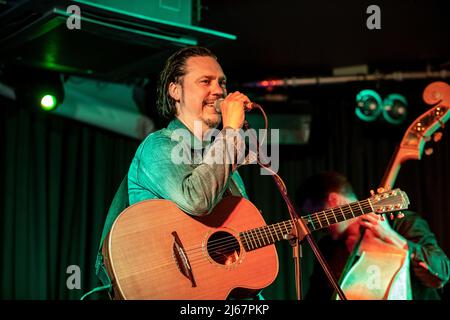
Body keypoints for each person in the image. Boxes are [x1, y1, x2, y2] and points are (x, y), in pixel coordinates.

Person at [94, 46, 260, 299]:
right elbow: (197, 200)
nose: (218, 90)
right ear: (175, 91)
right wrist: (230, 131)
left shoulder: (227, 167)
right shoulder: (159, 146)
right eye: (205, 81)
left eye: (222, 82)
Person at [295, 171, 450, 300]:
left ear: (333, 200)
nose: (317, 227)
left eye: (315, 216)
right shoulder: (328, 246)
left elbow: (442, 271)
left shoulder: (402, 223)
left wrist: (390, 236)